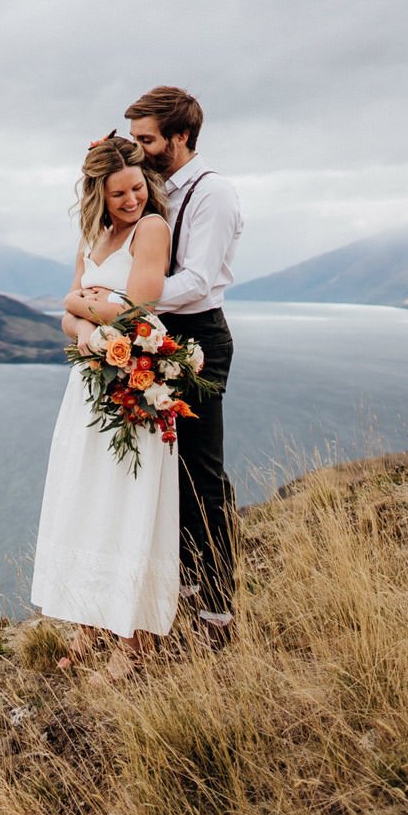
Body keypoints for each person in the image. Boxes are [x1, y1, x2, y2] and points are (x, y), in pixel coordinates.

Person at [31, 134, 179, 676]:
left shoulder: (153, 230)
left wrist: (81, 309)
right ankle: (90, 624)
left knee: (128, 500)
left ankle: (132, 638)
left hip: (136, 383)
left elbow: (139, 306)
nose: (131, 200)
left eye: (137, 188)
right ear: (98, 192)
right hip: (90, 383)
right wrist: (84, 324)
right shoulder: (92, 233)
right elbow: (69, 317)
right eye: (118, 193)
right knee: (88, 497)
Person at [125, 86, 243, 647]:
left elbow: (196, 281)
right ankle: (186, 592)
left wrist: (126, 302)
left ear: (181, 136)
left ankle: (218, 614)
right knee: (165, 477)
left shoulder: (212, 192)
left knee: (202, 477)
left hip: (200, 338)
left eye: (147, 139)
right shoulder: (154, 191)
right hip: (161, 336)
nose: (139, 148)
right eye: (135, 138)